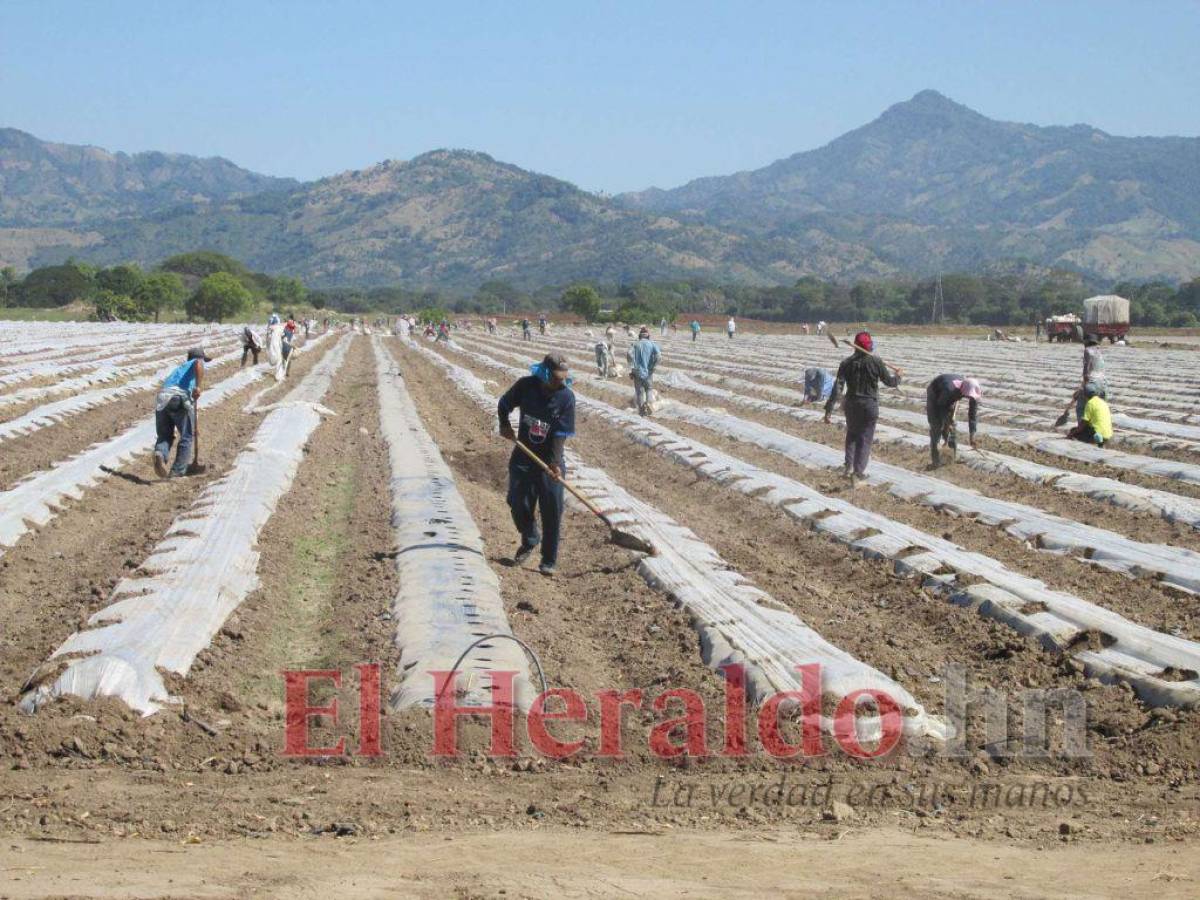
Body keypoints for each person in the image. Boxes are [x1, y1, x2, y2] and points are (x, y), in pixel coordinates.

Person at [498, 354, 576, 577]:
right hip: (523, 456)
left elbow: (561, 434)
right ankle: (531, 537)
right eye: (556, 378)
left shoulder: (566, 397)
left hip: (551, 460)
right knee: (517, 502)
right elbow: (504, 404)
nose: (560, 382)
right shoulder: (526, 386)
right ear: (544, 373)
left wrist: (553, 462)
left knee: (552, 510)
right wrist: (504, 424)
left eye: (563, 378)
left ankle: (549, 560)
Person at [824, 331, 901, 486]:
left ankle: (848, 466)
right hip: (869, 405)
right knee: (865, 438)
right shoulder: (876, 362)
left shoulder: (846, 363)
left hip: (851, 404)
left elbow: (838, 387)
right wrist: (898, 376)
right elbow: (890, 382)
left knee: (852, 434)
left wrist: (829, 409)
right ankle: (857, 473)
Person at [153, 348, 209, 478]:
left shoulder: (179, 370)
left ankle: (160, 454)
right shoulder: (196, 362)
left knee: (165, 435)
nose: (204, 364)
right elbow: (198, 364)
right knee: (186, 436)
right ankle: (177, 472)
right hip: (178, 397)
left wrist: (194, 424)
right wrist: (198, 386)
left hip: (162, 398)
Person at [925, 375, 982, 467]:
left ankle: (951, 459)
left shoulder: (974, 391)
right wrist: (946, 424)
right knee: (936, 426)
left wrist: (972, 435)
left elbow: (972, 415)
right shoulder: (949, 390)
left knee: (952, 429)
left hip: (951, 396)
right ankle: (936, 460)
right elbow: (941, 406)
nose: (969, 398)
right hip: (935, 394)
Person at [627, 326, 661, 415]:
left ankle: (641, 411)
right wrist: (654, 367)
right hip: (648, 372)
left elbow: (629, 354)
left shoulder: (635, 344)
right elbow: (659, 357)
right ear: (648, 336)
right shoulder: (652, 344)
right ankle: (648, 405)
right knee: (649, 389)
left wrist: (632, 367)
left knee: (639, 392)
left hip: (637, 371)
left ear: (640, 336)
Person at [1076, 339, 1108, 423]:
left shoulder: (1087, 350)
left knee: (1081, 407)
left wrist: (1081, 389)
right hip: (1104, 384)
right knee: (1101, 407)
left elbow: (1086, 371)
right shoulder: (1099, 351)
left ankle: (1082, 428)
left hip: (1092, 384)